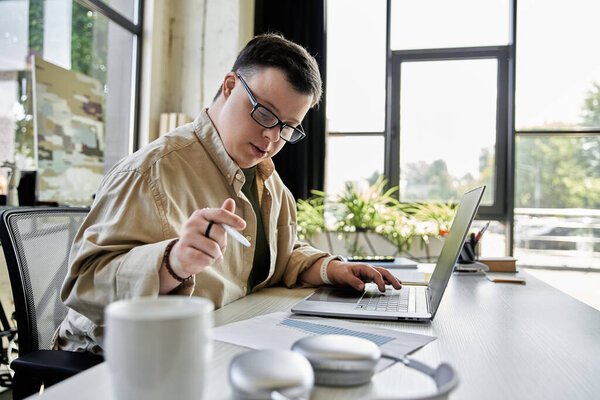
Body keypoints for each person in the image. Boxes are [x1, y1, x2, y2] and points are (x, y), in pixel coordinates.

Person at [55, 33, 401, 353]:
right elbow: (82, 285)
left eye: (287, 127)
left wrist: (331, 269)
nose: (271, 138)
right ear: (230, 85)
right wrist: (172, 263)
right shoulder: (152, 170)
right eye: (264, 113)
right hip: (117, 358)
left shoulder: (269, 181)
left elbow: (279, 253)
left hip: (216, 341)